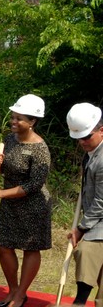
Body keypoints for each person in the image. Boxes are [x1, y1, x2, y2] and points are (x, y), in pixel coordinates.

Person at [0, 94, 52, 307]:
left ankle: (21, 294)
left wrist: (1, 193)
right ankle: (12, 289)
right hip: (9, 202)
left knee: (30, 248)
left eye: (19, 118)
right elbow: (7, 169)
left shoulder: (40, 149)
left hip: (33, 205)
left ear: (32, 121)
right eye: (13, 117)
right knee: (4, 246)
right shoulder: (9, 140)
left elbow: (34, 185)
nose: (14, 121)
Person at [66, 103, 103, 307]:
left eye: (87, 136)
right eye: (78, 138)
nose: (82, 142)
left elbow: (101, 201)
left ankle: (79, 303)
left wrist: (81, 228)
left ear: (101, 130)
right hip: (97, 221)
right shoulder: (92, 153)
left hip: (99, 223)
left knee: (85, 251)